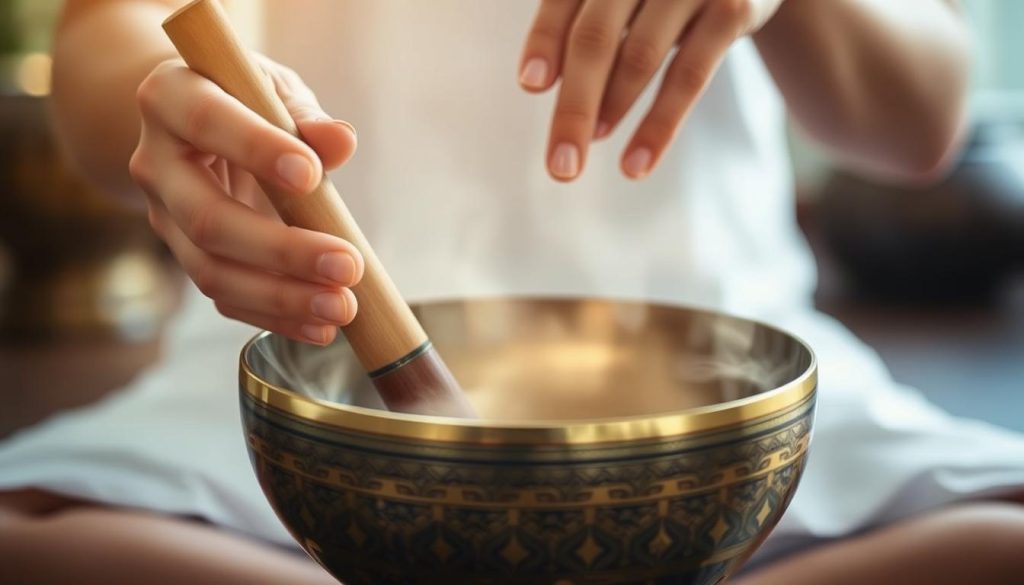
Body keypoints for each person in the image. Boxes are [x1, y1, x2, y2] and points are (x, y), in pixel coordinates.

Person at [1, 0, 1023, 583]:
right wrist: (171, 104)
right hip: (294, 398)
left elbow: (921, 113)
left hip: (738, 410)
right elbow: (107, 35)